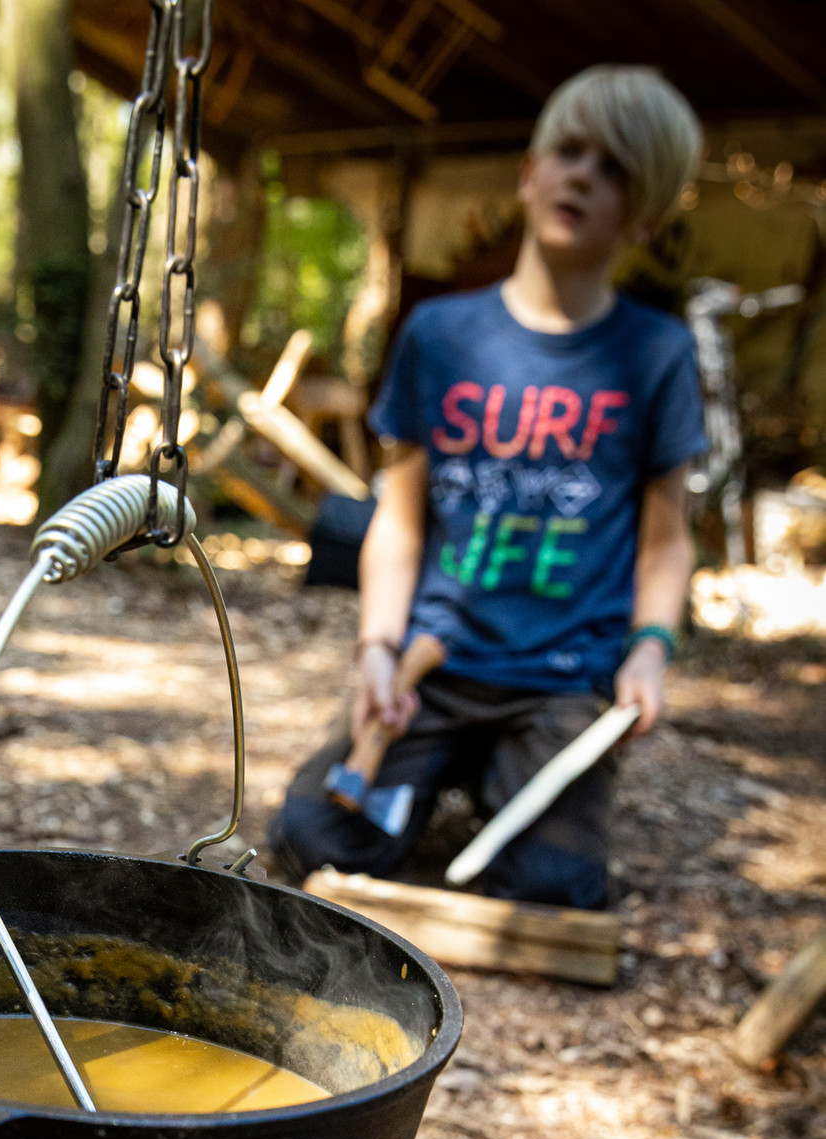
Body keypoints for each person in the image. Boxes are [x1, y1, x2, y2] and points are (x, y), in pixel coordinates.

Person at [269, 66, 705, 910]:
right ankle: (438, 771)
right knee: (314, 838)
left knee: (554, 885)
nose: (582, 174)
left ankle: (507, 781)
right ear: (528, 173)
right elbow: (396, 522)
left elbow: (666, 536)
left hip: (564, 676)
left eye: (614, 168)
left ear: (646, 214)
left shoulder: (657, 353)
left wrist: (651, 646)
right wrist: (377, 651)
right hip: (433, 666)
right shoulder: (440, 334)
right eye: (569, 151)